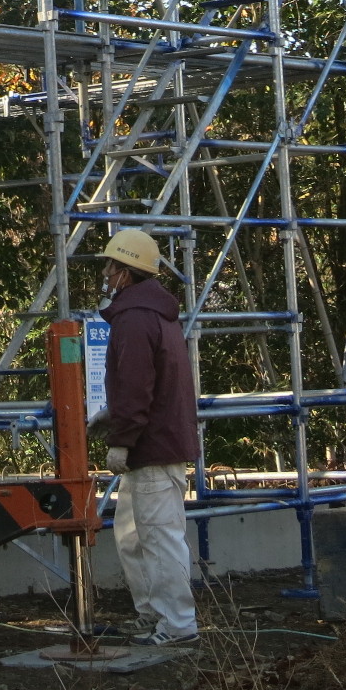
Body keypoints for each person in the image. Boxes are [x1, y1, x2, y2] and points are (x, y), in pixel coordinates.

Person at [99, 228, 202, 649]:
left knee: (158, 539)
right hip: (154, 443)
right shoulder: (155, 314)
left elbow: (137, 384)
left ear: (124, 272)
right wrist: (115, 416)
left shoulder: (136, 319)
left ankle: (176, 624)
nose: (105, 274)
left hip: (151, 448)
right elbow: (146, 385)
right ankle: (152, 616)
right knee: (132, 536)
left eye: (109, 266)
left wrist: (122, 435)